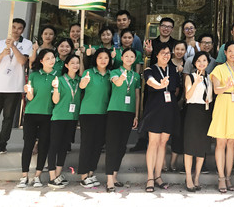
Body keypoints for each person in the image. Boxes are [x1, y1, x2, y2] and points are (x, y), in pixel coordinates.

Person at [0, 18, 32, 156]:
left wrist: (13, 47)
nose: (16, 30)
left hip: (14, 87)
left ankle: (2, 143)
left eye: (19, 28)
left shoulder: (26, 43)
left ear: (23, 30)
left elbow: (22, 61)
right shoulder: (0, 43)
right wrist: (3, 53)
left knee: (8, 117)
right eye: (14, 27)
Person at [142, 45, 181, 192]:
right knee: (153, 142)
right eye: (163, 53)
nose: (166, 55)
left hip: (169, 109)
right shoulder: (149, 69)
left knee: (163, 143)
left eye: (168, 53)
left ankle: (158, 176)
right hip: (155, 109)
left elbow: (176, 89)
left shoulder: (174, 69)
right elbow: (150, 81)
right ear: (157, 55)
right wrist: (160, 85)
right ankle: (150, 178)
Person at [16, 49, 56, 188]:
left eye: (53, 58)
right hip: (31, 114)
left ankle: (37, 176)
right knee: (28, 145)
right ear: (41, 61)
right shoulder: (34, 75)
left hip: (48, 114)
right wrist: (28, 91)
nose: (51, 60)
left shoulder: (57, 76)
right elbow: (30, 97)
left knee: (44, 145)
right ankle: (24, 176)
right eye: (48, 58)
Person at [209, 41, 234, 193]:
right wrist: (227, 86)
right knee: (221, 142)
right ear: (225, 52)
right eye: (230, 51)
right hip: (223, 103)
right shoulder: (219, 69)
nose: (232, 54)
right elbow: (216, 90)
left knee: (232, 143)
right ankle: (221, 178)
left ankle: (228, 177)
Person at [105, 48, 141, 192]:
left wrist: (136, 115)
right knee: (112, 145)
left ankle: (115, 175)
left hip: (129, 112)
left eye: (132, 56)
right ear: (122, 57)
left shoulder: (136, 76)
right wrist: (122, 77)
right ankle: (109, 179)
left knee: (121, 146)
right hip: (114, 111)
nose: (129, 59)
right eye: (126, 56)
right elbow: (118, 83)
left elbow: (137, 96)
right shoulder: (114, 72)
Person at [78, 48, 112, 188]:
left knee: (98, 145)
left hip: (103, 113)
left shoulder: (111, 74)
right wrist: (84, 82)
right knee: (87, 144)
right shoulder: (89, 72)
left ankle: (91, 173)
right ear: (95, 59)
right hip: (88, 113)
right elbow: (81, 86)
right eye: (100, 57)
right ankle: (83, 175)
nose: (103, 60)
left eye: (106, 58)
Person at [47, 53, 82, 189]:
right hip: (59, 117)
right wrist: (56, 88)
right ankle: (51, 177)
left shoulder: (80, 81)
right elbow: (55, 100)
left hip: (72, 118)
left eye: (77, 63)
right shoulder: (60, 80)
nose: (75, 65)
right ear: (66, 65)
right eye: (72, 63)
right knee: (54, 146)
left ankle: (58, 174)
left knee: (64, 147)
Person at [183, 51, 213, 192]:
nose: (202, 63)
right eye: (199, 60)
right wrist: (195, 83)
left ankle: (196, 177)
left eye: (204, 60)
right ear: (194, 63)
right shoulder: (190, 77)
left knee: (202, 147)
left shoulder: (210, 77)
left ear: (208, 62)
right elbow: (188, 96)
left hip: (206, 112)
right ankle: (188, 177)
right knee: (190, 146)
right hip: (193, 111)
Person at [169, 40, 187, 172]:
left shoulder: (188, 63)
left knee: (178, 131)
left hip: (182, 101)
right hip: (167, 100)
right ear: (173, 50)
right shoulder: (167, 62)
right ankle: (162, 163)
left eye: (182, 49)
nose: (179, 52)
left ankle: (173, 162)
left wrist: (182, 99)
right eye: (177, 49)